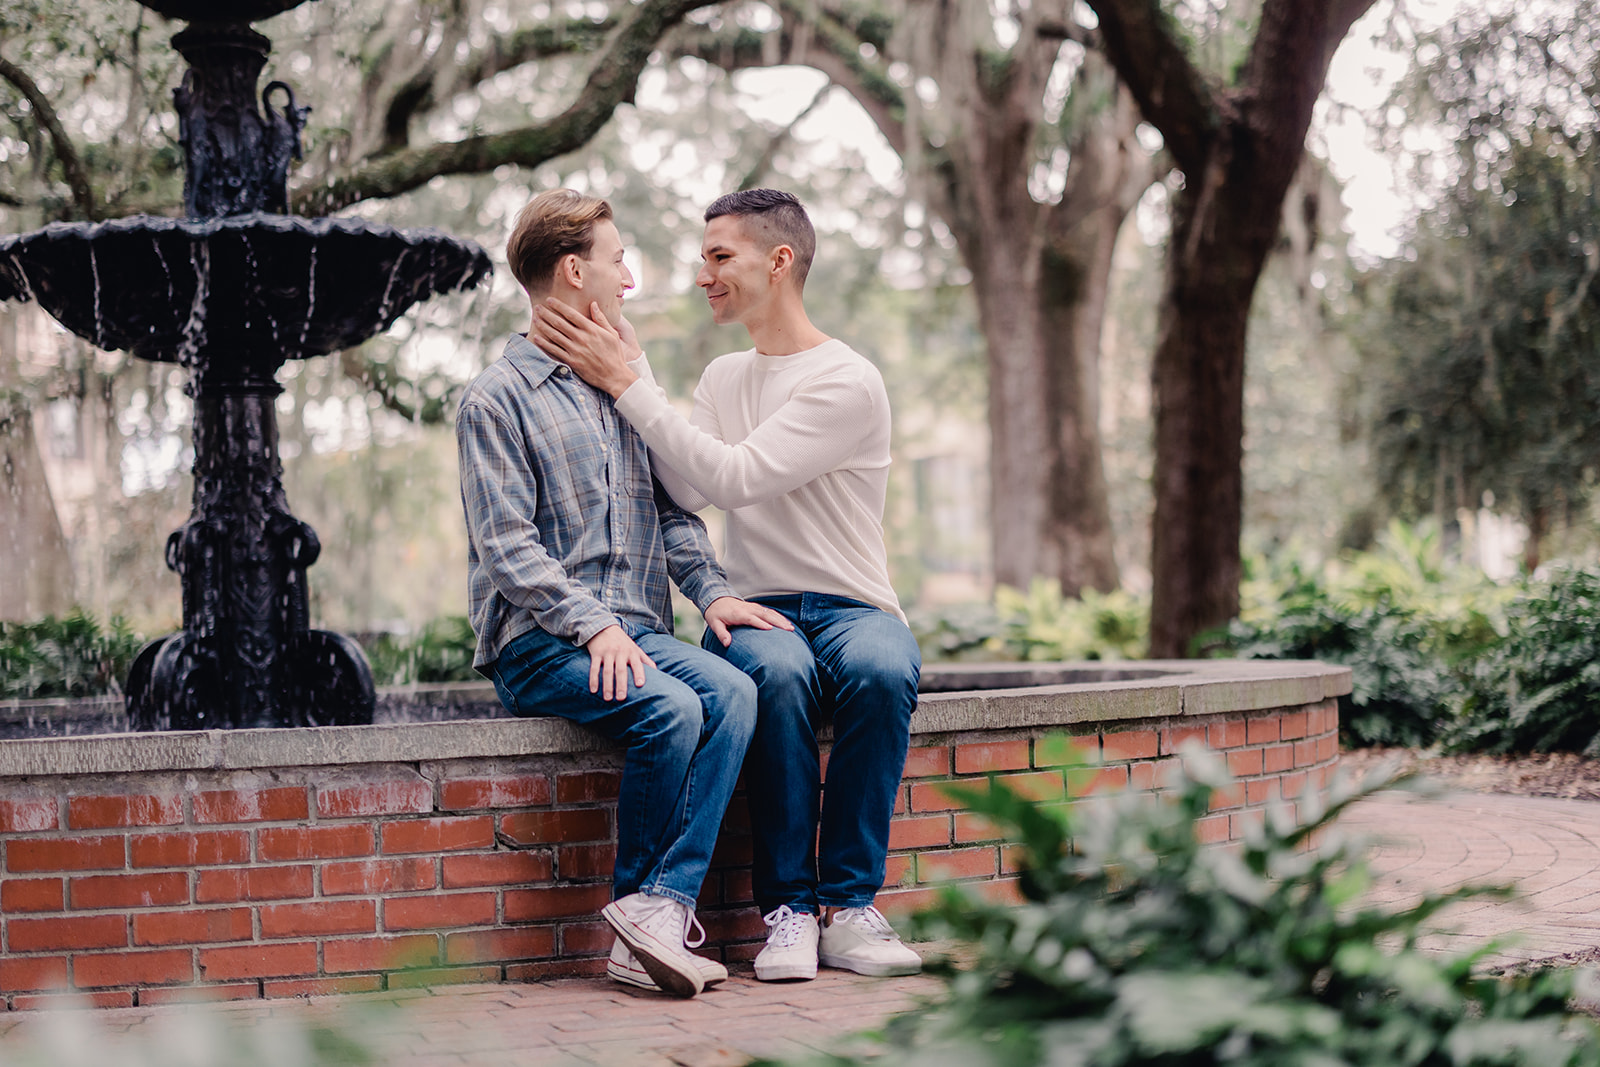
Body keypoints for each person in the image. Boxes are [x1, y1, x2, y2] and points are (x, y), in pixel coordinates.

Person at [531, 188, 923, 982]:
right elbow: (689, 484)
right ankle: (788, 911)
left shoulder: (846, 380)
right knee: (775, 677)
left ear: (778, 262)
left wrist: (629, 383)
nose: (702, 274)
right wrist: (632, 370)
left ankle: (849, 908)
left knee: (883, 672)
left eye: (720, 257)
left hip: (852, 603)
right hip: (754, 601)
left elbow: (736, 476)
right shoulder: (723, 374)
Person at [457, 188, 792, 998]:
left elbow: (673, 512)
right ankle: (642, 915)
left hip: (640, 632)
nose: (628, 279)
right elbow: (508, 549)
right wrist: (594, 625)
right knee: (673, 709)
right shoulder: (493, 400)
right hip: (540, 643)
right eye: (616, 261)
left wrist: (709, 593)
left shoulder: (620, 384)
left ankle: (656, 911)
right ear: (575, 271)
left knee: (738, 690)